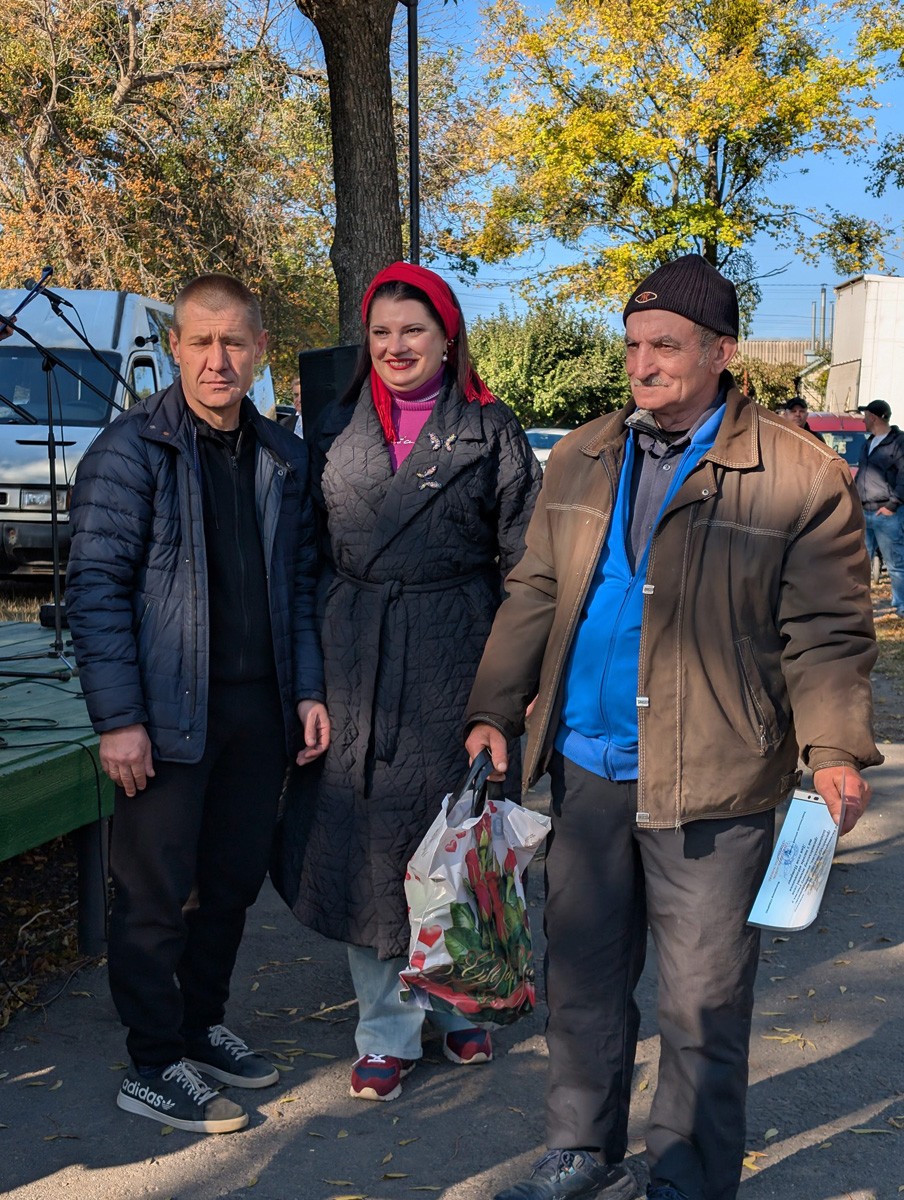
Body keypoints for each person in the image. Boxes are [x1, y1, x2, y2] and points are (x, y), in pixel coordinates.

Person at [464, 254, 880, 1200]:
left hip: (714, 779)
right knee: (579, 977)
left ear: (721, 352)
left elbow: (825, 631)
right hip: (584, 767)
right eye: (632, 345)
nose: (641, 365)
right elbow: (533, 590)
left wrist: (833, 751)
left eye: (665, 346)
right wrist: (493, 708)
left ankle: (685, 1179)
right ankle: (581, 1147)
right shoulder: (582, 453)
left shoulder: (797, 476)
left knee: (701, 1002)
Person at [66, 274, 330, 1135]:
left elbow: (293, 587)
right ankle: (152, 1062)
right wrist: (119, 720)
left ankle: (198, 1025)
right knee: (152, 891)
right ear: (174, 348)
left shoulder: (282, 458)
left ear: (259, 352)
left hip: (257, 714)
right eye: (200, 342)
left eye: (234, 343)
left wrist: (306, 692)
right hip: (165, 715)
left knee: (228, 883)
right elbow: (96, 589)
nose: (217, 360)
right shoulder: (130, 451)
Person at [272, 261, 542, 1103]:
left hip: (458, 658)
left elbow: (527, 565)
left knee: (455, 840)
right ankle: (384, 1028)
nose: (396, 346)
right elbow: (304, 562)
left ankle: (461, 1005)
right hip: (355, 658)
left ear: (446, 336)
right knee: (368, 849)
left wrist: (516, 684)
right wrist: (310, 683)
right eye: (382, 332)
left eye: (413, 331)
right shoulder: (333, 428)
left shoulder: (492, 430)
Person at [854, 399, 904, 617]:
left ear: (873, 417)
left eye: (865, 416)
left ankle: (900, 605)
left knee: (895, 563)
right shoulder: (869, 442)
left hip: (887, 514)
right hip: (864, 511)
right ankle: (860, 604)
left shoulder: (899, 442)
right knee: (859, 561)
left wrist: (892, 505)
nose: (863, 420)